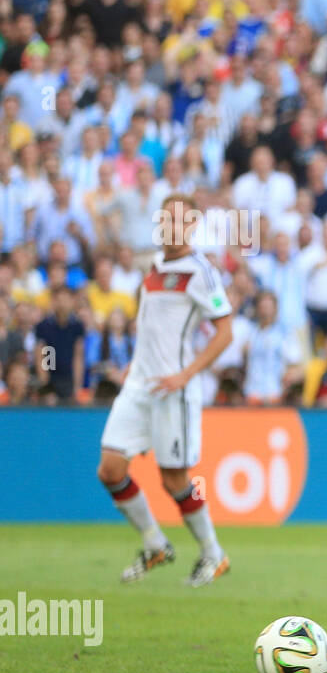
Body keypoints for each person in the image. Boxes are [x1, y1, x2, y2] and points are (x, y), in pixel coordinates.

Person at [95, 194, 235, 587]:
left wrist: (186, 374)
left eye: (179, 221)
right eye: (165, 221)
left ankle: (214, 553)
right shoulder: (155, 265)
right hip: (139, 384)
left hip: (173, 389)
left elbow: (226, 332)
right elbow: (154, 324)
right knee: (110, 469)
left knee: (173, 480)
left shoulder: (201, 271)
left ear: (191, 225)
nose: (171, 228)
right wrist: (133, 363)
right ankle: (155, 543)